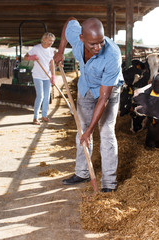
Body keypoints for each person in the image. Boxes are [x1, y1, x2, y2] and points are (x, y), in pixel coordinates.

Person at [54, 17, 124, 192]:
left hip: (107, 91)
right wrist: (61, 50)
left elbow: (104, 98)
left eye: (101, 42)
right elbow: (69, 21)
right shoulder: (76, 39)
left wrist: (91, 130)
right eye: (92, 44)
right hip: (86, 87)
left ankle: (109, 183)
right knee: (81, 130)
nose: (98, 48)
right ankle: (82, 173)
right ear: (82, 38)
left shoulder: (112, 55)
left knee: (106, 132)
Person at [24, 32, 56, 125]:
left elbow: (52, 64)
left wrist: (53, 76)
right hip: (37, 75)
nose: (51, 43)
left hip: (47, 76)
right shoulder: (36, 48)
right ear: (44, 39)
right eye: (49, 40)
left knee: (47, 97)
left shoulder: (51, 50)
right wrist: (31, 57)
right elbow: (25, 57)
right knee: (40, 96)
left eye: (53, 41)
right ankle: (35, 117)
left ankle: (44, 116)